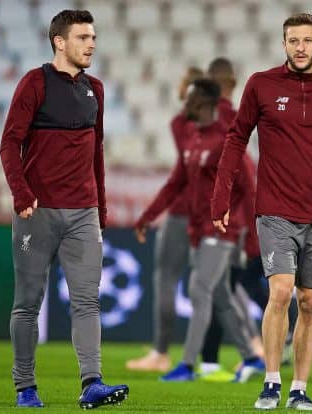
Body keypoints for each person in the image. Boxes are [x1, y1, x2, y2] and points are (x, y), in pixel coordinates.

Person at [211, 13, 312, 411]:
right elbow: (236, 139)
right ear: (283, 44)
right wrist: (221, 197)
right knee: (281, 291)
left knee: (311, 302)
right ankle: (271, 382)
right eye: (293, 40)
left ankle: (299, 389)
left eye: (307, 40)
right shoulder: (261, 85)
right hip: (274, 209)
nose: (300, 47)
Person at [0, 10, 128, 409]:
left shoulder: (97, 90)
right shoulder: (34, 84)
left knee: (87, 301)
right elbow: (9, 144)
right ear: (59, 41)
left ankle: (92, 383)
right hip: (36, 215)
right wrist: (22, 196)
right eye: (84, 37)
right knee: (28, 303)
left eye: (93, 37)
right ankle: (25, 387)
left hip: (84, 214)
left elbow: (97, 155)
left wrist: (101, 211)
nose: (92, 44)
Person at [157, 78, 265, 382]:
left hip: (221, 231)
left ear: (204, 103)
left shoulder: (225, 140)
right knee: (219, 295)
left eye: (190, 99)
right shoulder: (194, 140)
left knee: (199, 288)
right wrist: (149, 216)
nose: (185, 105)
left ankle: (188, 365)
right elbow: (177, 183)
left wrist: (247, 231)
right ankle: (251, 357)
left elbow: (248, 187)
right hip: (199, 229)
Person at [126, 66, 204, 373]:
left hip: (184, 212)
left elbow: (180, 176)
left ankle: (161, 353)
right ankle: (250, 346)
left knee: (167, 280)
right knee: (218, 287)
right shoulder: (223, 122)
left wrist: (151, 214)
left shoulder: (181, 123)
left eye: (184, 83)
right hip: (213, 214)